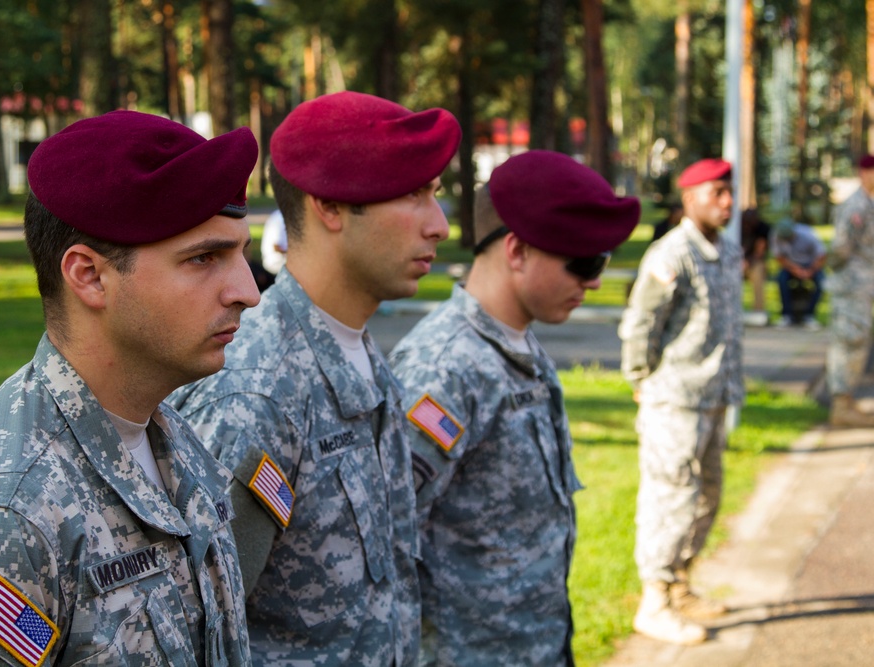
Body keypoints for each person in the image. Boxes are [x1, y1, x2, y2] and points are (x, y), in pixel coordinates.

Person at [0, 111, 261, 666]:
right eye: (204, 258)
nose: (247, 291)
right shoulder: (3, 517)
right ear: (89, 276)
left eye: (242, 254)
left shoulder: (168, 438)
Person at [169, 91, 461, 666]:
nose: (440, 226)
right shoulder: (257, 392)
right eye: (413, 195)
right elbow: (203, 632)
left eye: (435, 194)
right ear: (329, 207)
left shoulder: (358, 352)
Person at [388, 151, 640, 666]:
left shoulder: (517, 343)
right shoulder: (445, 369)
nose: (594, 281)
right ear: (518, 250)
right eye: (584, 263)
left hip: (538, 645)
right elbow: (389, 536)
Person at [618, 158, 744, 645]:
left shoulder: (726, 249)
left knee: (706, 496)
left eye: (729, 192)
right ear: (690, 198)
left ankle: (679, 586)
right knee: (670, 497)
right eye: (717, 193)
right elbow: (641, 321)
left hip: (714, 395)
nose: (727, 202)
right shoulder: (673, 253)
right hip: (675, 398)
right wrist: (640, 378)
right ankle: (653, 602)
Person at [825, 154, 874, 428]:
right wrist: (839, 273)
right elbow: (841, 247)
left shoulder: (867, 202)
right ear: (864, 173)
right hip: (851, 285)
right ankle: (841, 405)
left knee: (857, 339)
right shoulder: (857, 204)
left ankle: (847, 400)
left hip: (862, 285)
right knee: (850, 339)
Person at [771, 217, 825, 329]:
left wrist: (810, 271)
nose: (786, 240)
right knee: (781, 279)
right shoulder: (776, 235)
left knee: (822, 282)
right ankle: (786, 315)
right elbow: (779, 257)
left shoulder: (807, 235)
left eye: (788, 237)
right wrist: (796, 270)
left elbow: (821, 255)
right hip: (790, 266)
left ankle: (809, 316)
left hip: (811, 265)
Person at [740, 207, 771, 317]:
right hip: (735, 261)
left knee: (758, 272)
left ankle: (758, 312)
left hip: (753, 262)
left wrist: (747, 262)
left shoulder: (761, 229)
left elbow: (759, 251)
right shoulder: (736, 226)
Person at [260, 208, 288, 277]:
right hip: (275, 263)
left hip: (281, 262)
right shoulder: (280, 218)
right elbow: (276, 247)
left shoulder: (281, 216)